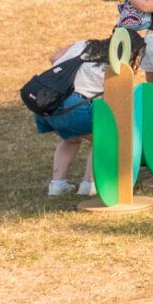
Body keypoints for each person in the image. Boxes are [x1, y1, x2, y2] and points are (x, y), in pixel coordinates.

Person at [35, 35, 110, 196]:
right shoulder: (111, 67)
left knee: (71, 139)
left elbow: (54, 57)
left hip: (45, 104)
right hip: (71, 107)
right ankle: (89, 184)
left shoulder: (84, 44)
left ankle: (57, 185)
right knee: (103, 138)